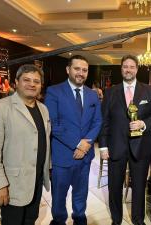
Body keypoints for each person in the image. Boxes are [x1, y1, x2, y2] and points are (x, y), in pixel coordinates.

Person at [0, 64, 51, 225]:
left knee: (30, 220)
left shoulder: (44, 109)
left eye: (36, 81)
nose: (32, 84)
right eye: (26, 80)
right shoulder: (0, 108)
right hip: (12, 184)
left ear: (41, 86)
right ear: (16, 82)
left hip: (36, 181)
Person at [99, 55, 151, 225]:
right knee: (114, 186)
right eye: (125, 66)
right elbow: (104, 120)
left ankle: (138, 219)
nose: (128, 69)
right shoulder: (111, 92)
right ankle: (116, 219)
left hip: (141, 146)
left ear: (137, 69)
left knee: (139, 187)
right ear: (121, 69)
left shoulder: (149, 90)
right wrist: (103, 147)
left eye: (132, 66)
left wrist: (143, 123)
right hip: (116, 146)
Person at [45, 55, 102, 225]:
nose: (81, 73)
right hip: (63, 157)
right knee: (59, 197)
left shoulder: (92, 95)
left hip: (84, 158)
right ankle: (59, 221)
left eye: (84, 70)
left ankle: (79, 219)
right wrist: (79, 144)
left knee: (80, 195)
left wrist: (86, 143)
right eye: (77, 69)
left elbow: (98, 121)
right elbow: (53, 124)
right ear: (68, 70)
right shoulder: (54, 91)